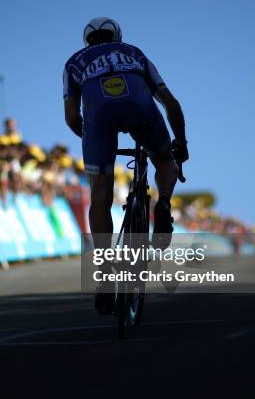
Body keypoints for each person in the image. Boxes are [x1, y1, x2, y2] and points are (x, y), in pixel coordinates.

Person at [63, 17, 189, 312]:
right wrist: (181, 144)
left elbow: (71, 118)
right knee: (164, 161)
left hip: (98, 121)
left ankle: (105, 276)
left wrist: (90, 136)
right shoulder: (134, 53)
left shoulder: (73, 63)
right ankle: (164, 204)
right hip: (141, 109)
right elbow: (171, 104)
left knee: (101, 198)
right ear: (118, 36)